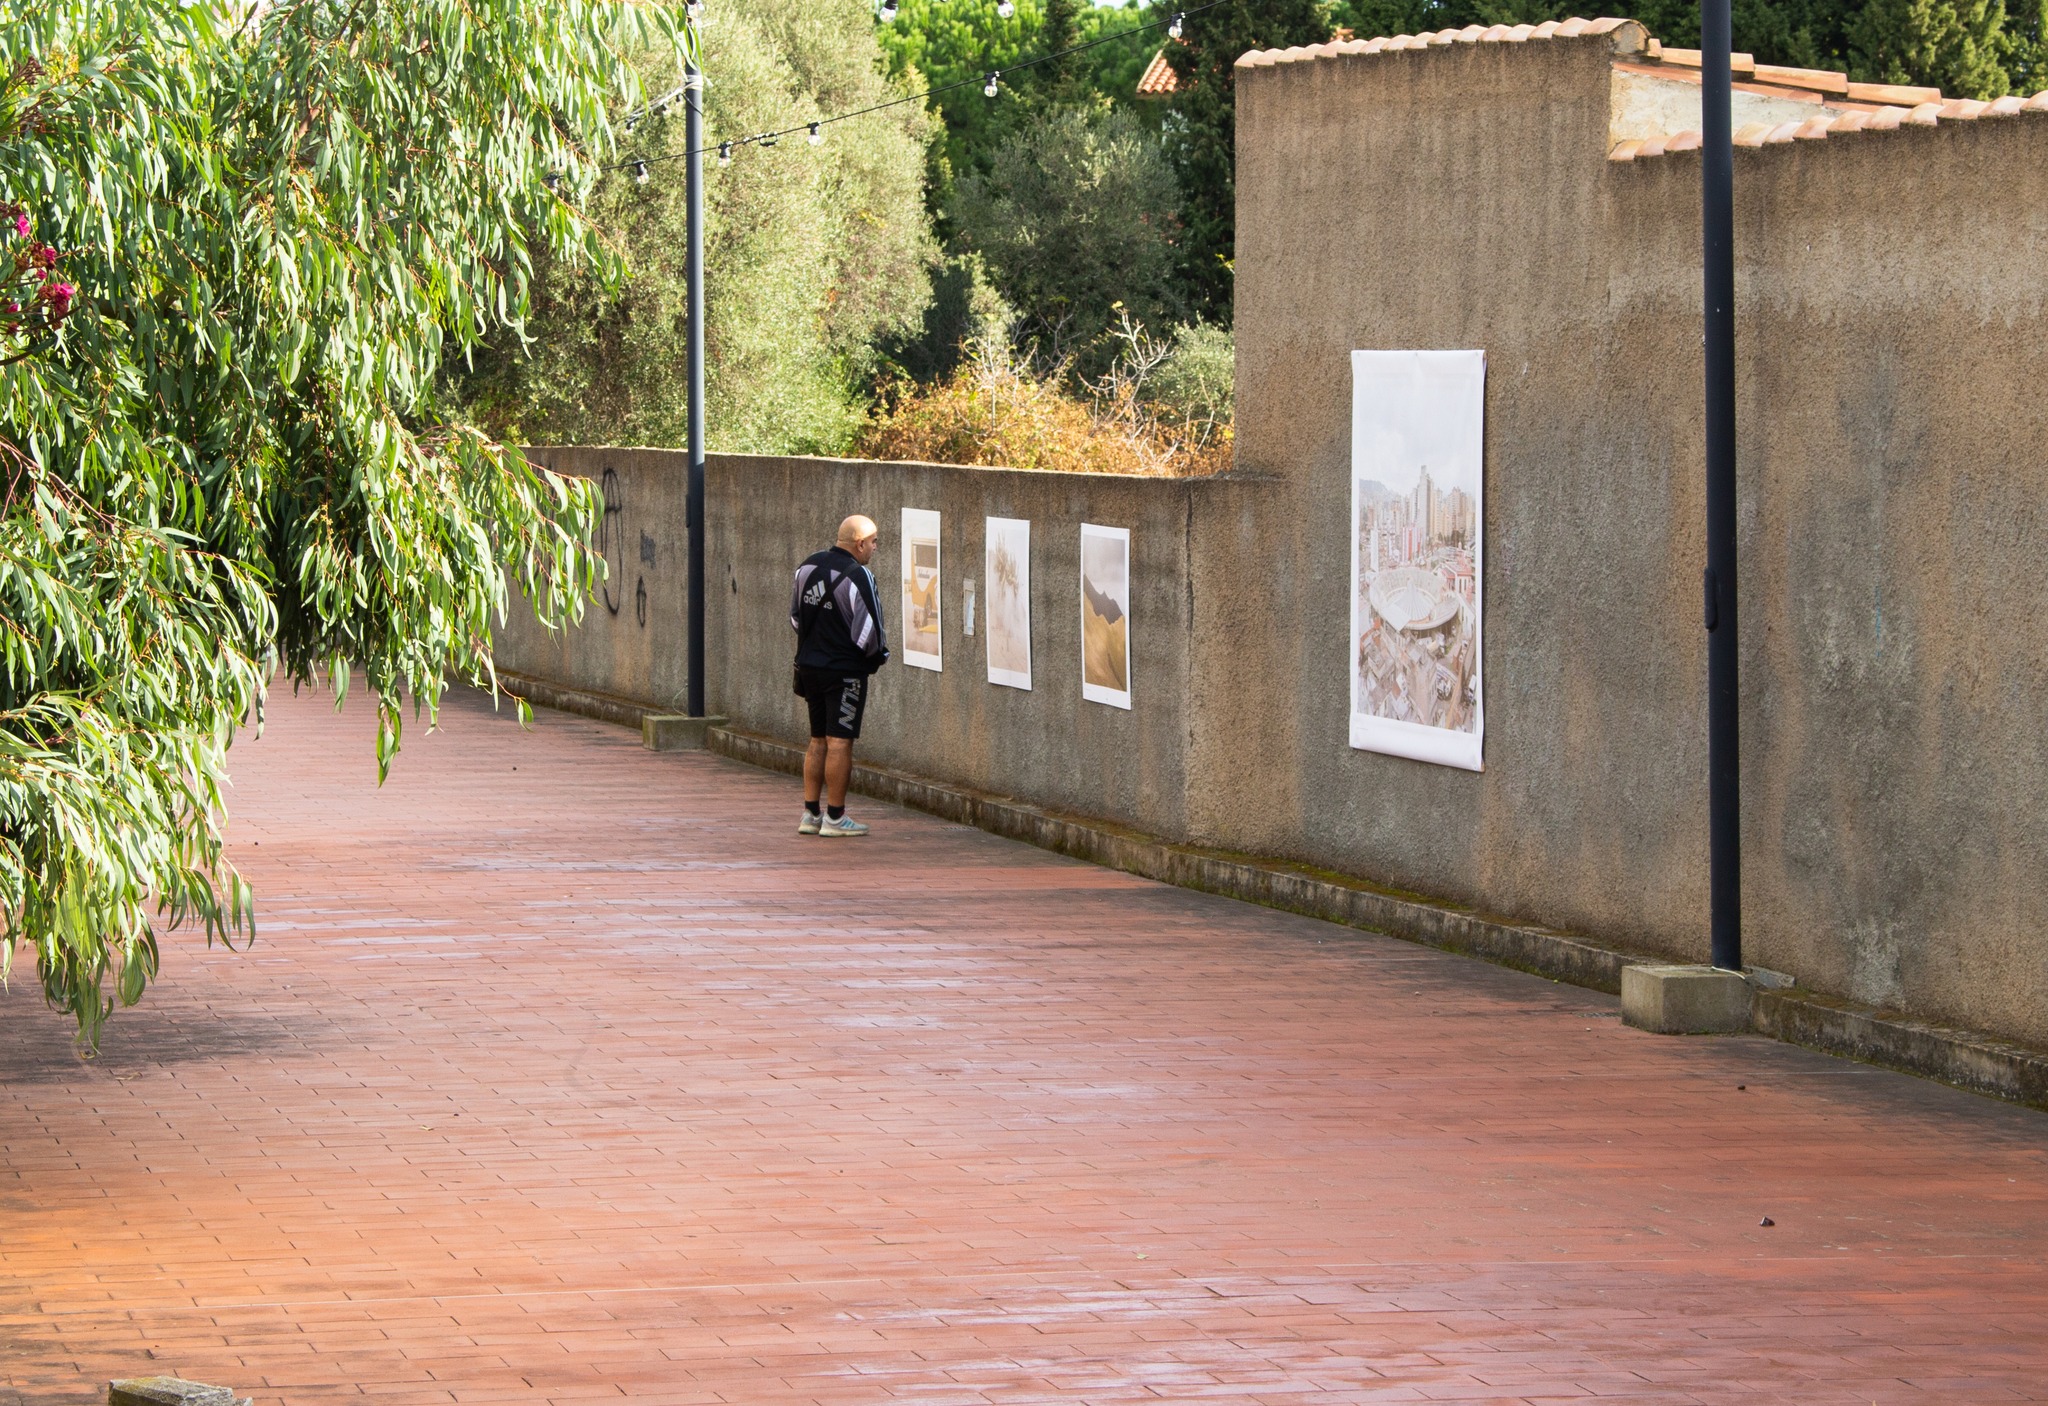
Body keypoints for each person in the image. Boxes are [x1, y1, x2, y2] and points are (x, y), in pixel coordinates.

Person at [790, 514, 888, 836]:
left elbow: (795, 619)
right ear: (859, 543)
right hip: (844, 673)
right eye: (873, 542)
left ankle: (810, 814)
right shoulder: (860, 576)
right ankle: (835, 817)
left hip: (809, 668)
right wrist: (875, 659)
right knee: (840, 742)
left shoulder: (806, 567)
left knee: (817, 739)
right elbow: (870, 634)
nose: (874, 548)